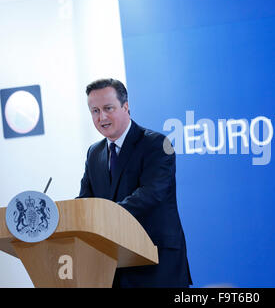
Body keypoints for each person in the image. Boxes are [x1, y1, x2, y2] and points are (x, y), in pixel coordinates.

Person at [77, 78, 192, 288]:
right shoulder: (94, 153)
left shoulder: (158, 144)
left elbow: (151, 193)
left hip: (156, 264)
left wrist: (104, 215)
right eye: (95, 111)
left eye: (108, 108)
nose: (101, 117)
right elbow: (86, 200)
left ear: (126, 106)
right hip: (113, 265)